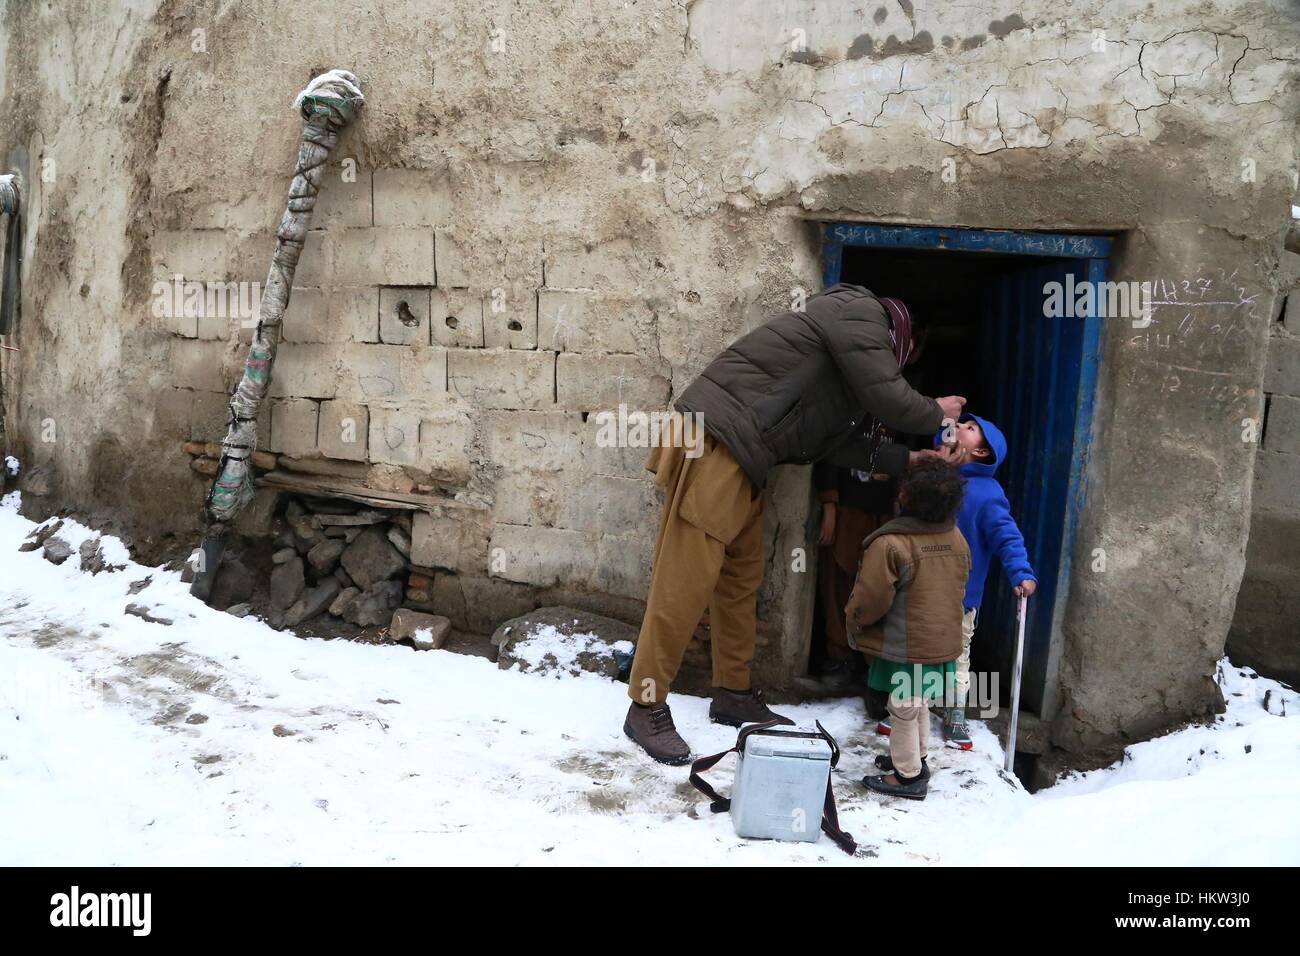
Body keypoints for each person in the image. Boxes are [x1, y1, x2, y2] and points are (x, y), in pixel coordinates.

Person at [622, 283, 966, 765]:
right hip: (715, 441)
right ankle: (646, 705)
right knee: (684, 580)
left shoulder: (849, 371)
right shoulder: (859, 312)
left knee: (740, 580)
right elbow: (889, 396)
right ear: (900, 337)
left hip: (744, 456)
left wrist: (909, 457)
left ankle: (732, 691)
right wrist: (936, 412)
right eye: (899, 363)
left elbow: (835, 446)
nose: (894, 371)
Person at [847, 458, 970, 800]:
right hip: (941, 643)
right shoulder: (956, 537)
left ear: (904, 496)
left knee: (902, 707)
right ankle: (918, 757)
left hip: (908, 644)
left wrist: (856, 619)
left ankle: (908, 776)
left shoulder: (891, 545)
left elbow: (871, 598)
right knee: (918, 703)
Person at [927, 413, 1036, 750]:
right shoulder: (931, 478)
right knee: (916, 650)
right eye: (960, 424)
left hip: (962, 594)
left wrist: (1021, 573)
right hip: (922, 588)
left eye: (970, 429)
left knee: (957, 655)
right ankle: (907, 709)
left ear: (982, 454)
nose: (960, 428)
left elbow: (1007, 537)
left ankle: (954, 714)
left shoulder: (987, 494)